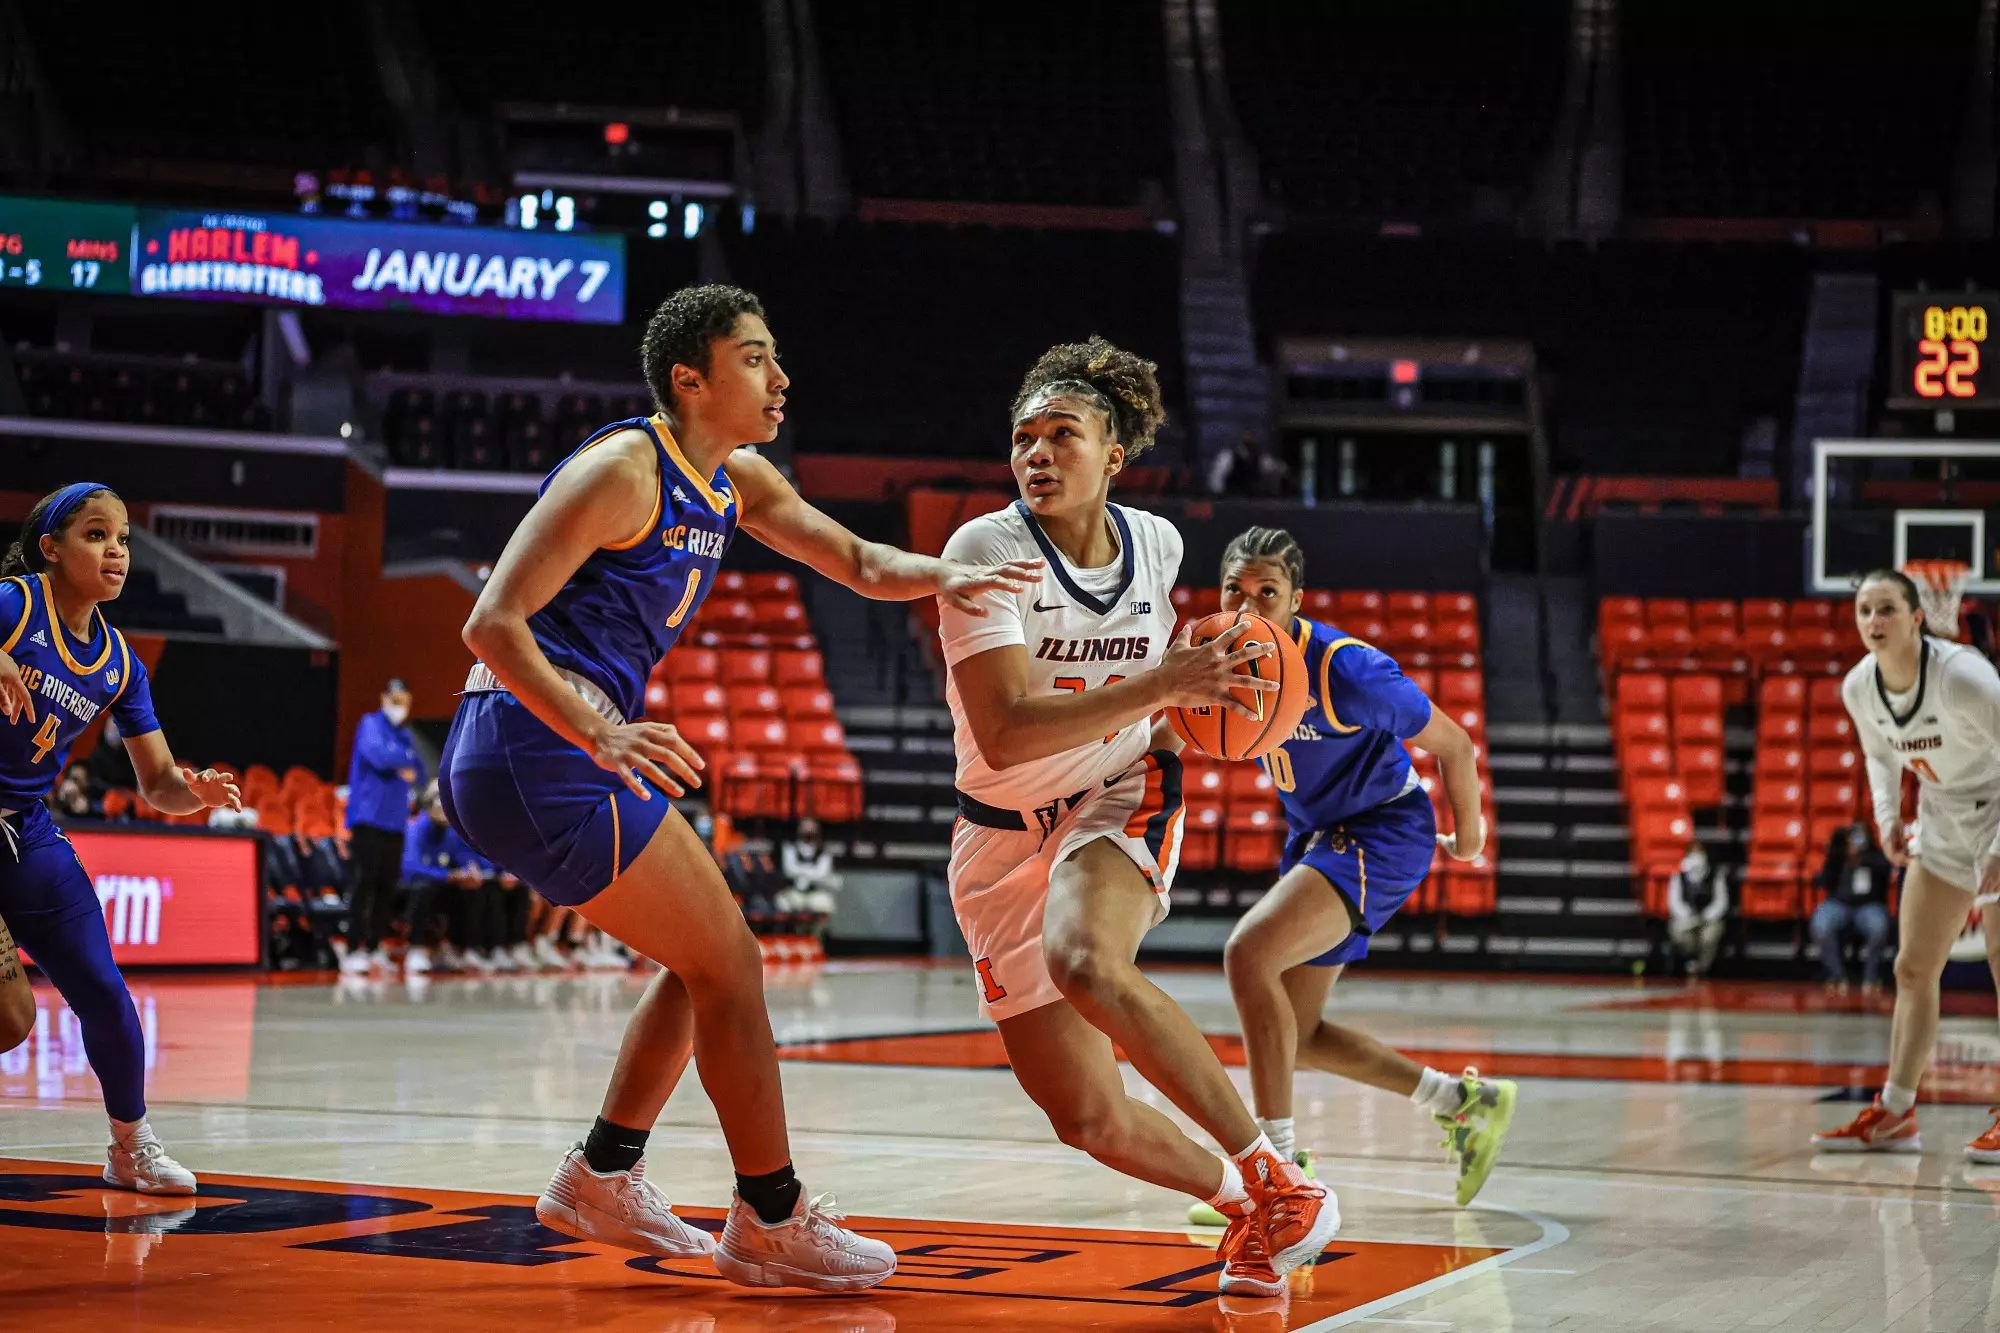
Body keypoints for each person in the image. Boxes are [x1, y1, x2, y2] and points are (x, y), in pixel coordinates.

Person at [439, 284, 1040, 1290]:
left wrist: (947, 576)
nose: (779, 376)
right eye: (756, 357)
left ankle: (604, 1172)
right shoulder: (623, 470)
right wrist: (603, 730)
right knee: (730, 961)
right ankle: (769, 1215)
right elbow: (491, 621)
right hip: (532, 736)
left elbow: (850, 557)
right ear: (691, 377)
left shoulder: (737, 478)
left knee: (707, 964)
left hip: (547, 747)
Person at [938, 338, 1338, 1300]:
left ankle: (1284, 1179)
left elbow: (1170, 688)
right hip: (997, 829)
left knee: (1086, 958)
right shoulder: (985, 551)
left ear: (1113, 454)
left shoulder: (1155, 541)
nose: (1037, 453)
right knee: (1087, 1116)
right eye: (1024, 438)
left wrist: (1201, 715)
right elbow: (1000, 736)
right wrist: (1163, 682)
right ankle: (1246, 1200)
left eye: (1061, 435)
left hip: (1120, 791)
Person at [1186, 527, 1511, 1231]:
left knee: (1248, 953)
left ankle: (1273, 1166)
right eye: (1234, 591)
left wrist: (1472, 837)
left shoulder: (1347, 671)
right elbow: (1170, 728)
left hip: (1381, 830)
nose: (1246, 607)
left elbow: (1454, 742)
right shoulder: (1217, 658)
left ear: (1296, 599)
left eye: (1266, 593)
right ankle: (1461, 1101)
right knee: (1296, 1031)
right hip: (1317, 835)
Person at [0, 482, 243, 1192]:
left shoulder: (119, 664)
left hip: (25, 828)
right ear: (51, 548)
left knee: (104, 989)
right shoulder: (16, 603)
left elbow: (157, 780)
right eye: (97, 534)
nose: (116, 550)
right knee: (13, 1017)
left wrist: (189, 792)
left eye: (125, 538)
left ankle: (129, 1146)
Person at [1812, 569, 2000, 1162]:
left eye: (1887, 609)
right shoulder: (1858, 687)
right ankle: (1895, 1112)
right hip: (1942, 816)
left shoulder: (1963, 676)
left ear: (1918, 617)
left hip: (1997, 810)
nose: (1874, 621)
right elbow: (1877, 753)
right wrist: (1889, 817)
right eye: (1865, 610)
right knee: (1913, 968)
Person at [342, 678, 423, 974]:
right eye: (396, 700)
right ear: (384, 698)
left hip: (395, 823)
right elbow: (379, 756)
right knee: (363, 884)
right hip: (368, 819)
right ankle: (352, 949)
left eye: (405, 702)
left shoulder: (405, 735)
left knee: (386, 888)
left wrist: (403, 764)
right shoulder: (370, 724)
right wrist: (402, 764)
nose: (400, 707)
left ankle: (375, 947)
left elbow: (418, 768)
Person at [399, 782, 486, 976]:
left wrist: (469, 870)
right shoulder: (414, 829)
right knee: (423, 888)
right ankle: (415, 948)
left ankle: (460, 948)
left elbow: (462, 859)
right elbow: (411, 869)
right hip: (410, 888)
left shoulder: (450, 832)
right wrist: (448, 875)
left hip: (440, 886)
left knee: (471, 891)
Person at [1810, 821, 1893, 992]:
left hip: (1869, 906)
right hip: (1839, 905)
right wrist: (1835, 857)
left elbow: (1886, 867)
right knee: (1821, 924)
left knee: (1879, 927)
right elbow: (1825, 882)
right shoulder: (1838, 857)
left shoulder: (1877, 856)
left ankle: (1871, 977)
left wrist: (1862, 858)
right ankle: (1837, 976)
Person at [1664, 841, 1730, 979]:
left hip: (1709, 919)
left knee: (1709, 937)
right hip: (1687, 918)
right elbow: (1674, 902)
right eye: (1693, 853)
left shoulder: (1715, 874)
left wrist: (1708, 915)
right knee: (1679, 933)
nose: (1697, 857)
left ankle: (1702, 969)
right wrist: (1687, 913)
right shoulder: (1679, 875)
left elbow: (1721, 901)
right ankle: (1688, 962)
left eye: (1700, 853)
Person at [779, 817, 841, 918]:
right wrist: (812, 871)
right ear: (799, 829)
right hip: (795, 891)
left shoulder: (824, 852)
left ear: (817, 829)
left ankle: (816, 933)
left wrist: (800, 870)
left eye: (811, 827)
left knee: (826, 905)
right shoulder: (790, 848)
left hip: (815, 893)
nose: (808, 830)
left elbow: (822, 875)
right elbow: (789, 871)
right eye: (805, 826)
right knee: (783, 903)